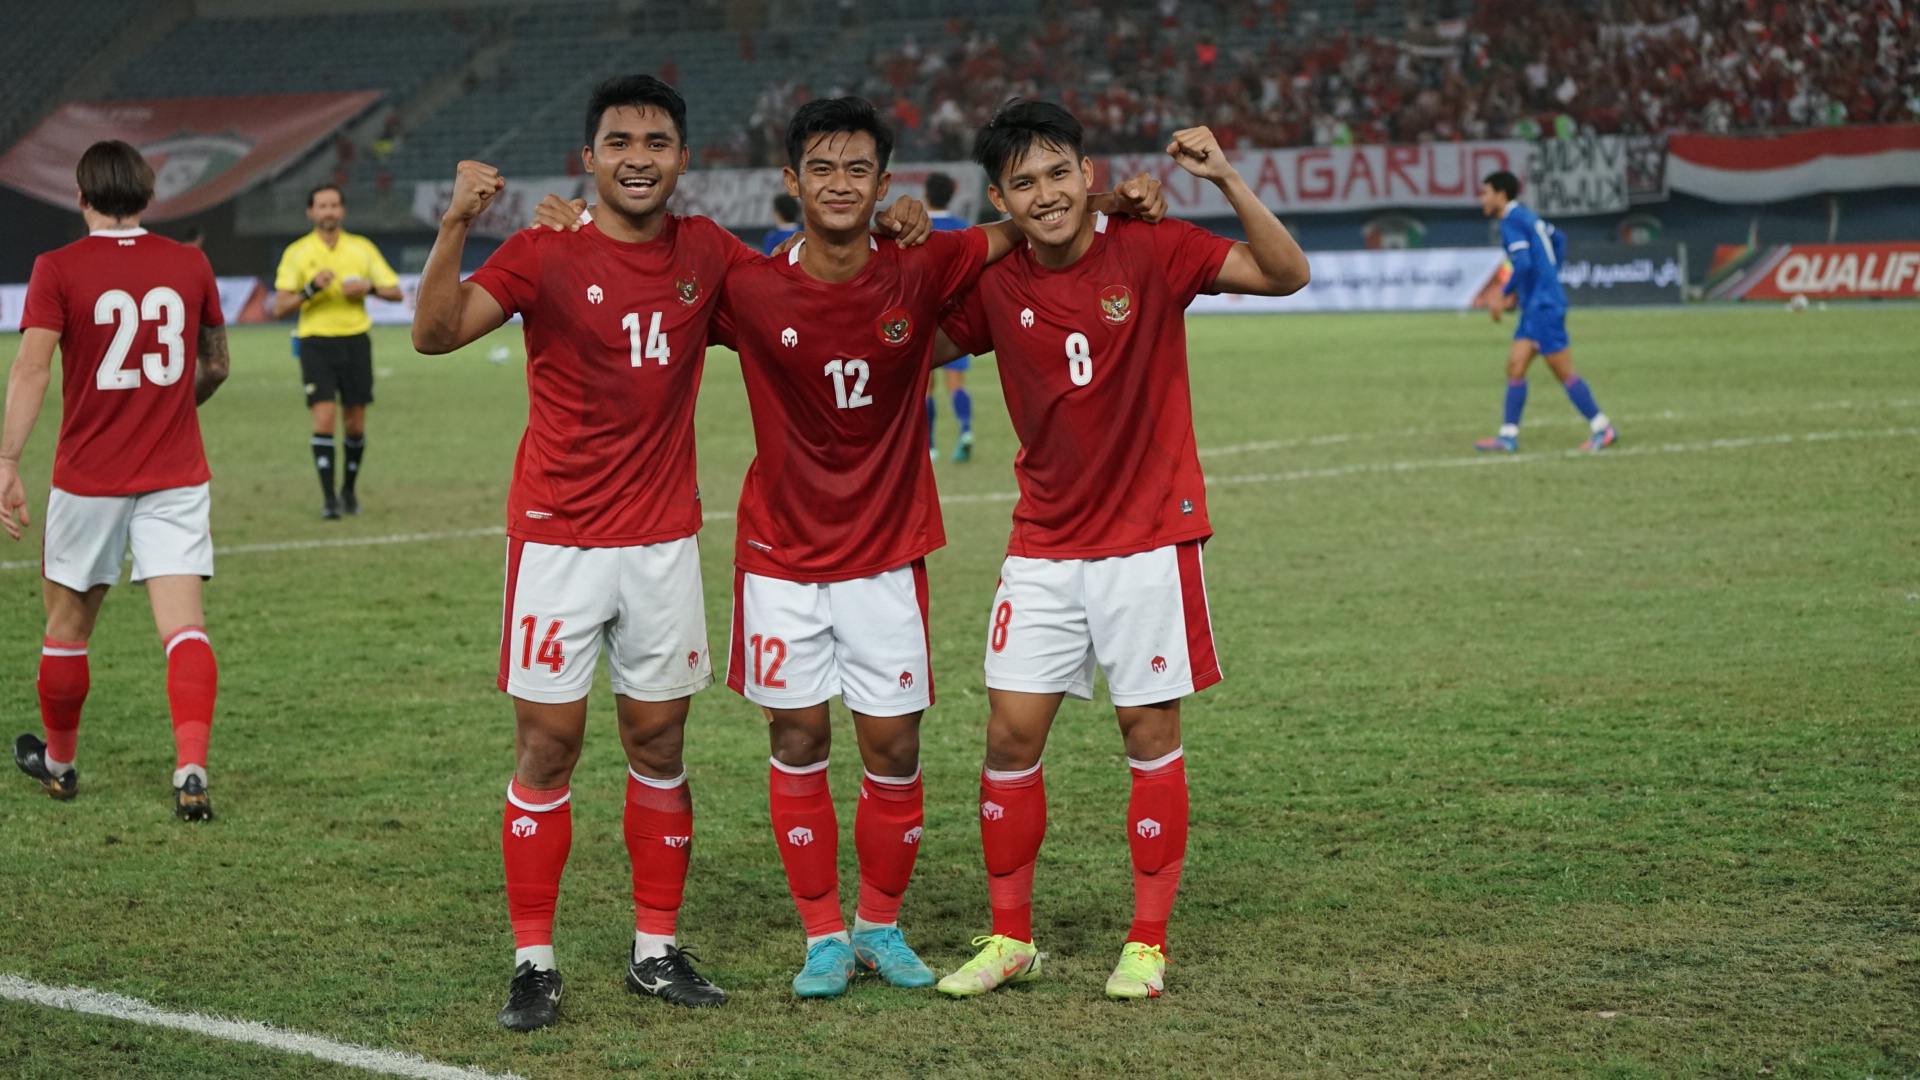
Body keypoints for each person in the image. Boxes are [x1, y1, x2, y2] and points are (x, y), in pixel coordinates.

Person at [414, 76, 931, 1033]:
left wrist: (896, 227)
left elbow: (805, 281)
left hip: (661, 545)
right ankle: (534, 959)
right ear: (590, 159)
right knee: (547, 748)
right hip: (559, 544)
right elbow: (435, 333)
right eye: (620, 142)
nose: (639, 157)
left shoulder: (708, 254)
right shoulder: (542, 252)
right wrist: (456, 223)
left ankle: (656, 950)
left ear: (684, 160)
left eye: (657, 142)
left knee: (660, 745)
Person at [701, 98, 1163, 1001]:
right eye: (822, 169)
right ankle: (824, 936)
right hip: (779, 557)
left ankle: (879, 924)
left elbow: (1022, 223)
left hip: (886, 553)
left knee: (893, 751)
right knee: (797, 739)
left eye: (859, 170)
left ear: (886, 184)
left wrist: (1116, 205)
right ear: (791, 183)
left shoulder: (925, 261)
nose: (841, 185)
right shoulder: (747, 286)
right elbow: (647, 268)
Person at [929, 100, 1309, 1001]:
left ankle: (1146, 941)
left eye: (1059, 173)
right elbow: (907, 345)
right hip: (1044, 547)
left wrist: (1221, 176)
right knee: (1009, 736)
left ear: (1088, 173)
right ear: (1000, 197)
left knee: (1148, 734)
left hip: (1147, 543)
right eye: (1024, 183)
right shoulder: (994, 281)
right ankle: (1011, 937)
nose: (1047, 194)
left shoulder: (1153, 245)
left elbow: (1285, 272)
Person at [1, 140, 231, 822]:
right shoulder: (190, 263)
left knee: (67, 625)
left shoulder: (58, 268)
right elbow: (215, 364)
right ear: (148, 196)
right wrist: (166, 410)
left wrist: (8, 461)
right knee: (184, 629)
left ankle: (62, 764)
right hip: (176, 473)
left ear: (80, 197)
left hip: (88, 478)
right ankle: (190, 767)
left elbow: (33, 371)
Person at [271, 184, 403, 519]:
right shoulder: (298, 253)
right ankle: (329, 499)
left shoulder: (361, 248)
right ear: (310, 212)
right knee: (324, 417)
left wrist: (369, 288)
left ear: (342, 210)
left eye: (333, 205)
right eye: (322, 206)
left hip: (356, 340)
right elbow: (279, 307)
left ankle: (349, 492)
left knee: (355, 423)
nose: (328, 211)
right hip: (316, 342)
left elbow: (397, 293)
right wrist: (310, 288)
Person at [1473, 171, 1617, 453]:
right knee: (1515, 366)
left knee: (1563, 371)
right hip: (1536, 305)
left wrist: (1502, 295)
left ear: (1501, 195)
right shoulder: (1528, 217)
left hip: (1543, 307)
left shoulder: (1510, 221)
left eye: (1485, 192)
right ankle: (1508, 435)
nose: (1482, 198)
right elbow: (1559, 239)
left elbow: (1524, 264)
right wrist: (1549, 276)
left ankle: (1602, 427)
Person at [922, 171, 977, 462]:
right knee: (956, 383)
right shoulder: (963, 230)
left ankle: (930, 446)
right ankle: (966, 431)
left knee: (925, 385)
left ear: (926, 195)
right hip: (956, 318)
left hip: (923, 319)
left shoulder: (917, 230)